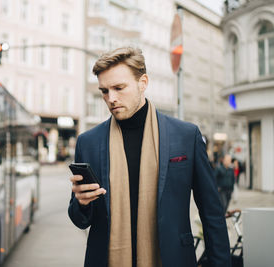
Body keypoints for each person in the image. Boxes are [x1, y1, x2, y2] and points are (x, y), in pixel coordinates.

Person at [68, 47, 230, 267]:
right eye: (104, 91)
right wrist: (82, 203)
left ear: (143, 82)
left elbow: (211, 211)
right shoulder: (88, 142)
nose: (111, 98)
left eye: (119, 88)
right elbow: (79, 219)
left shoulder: (185, 136)